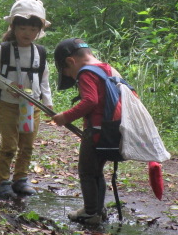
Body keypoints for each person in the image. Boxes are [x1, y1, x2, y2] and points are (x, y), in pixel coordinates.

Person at [0, 0, 53, 200]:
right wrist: (8, 85)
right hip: (8, 104)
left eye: (32, 29)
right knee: (9, 145)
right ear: (13, 27)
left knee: (27, 145)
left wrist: (47, 102)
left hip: (32, 106)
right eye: (23, 28)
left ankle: (20, 179)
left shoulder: (39, 52)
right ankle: (2, 182)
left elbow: (44, 79)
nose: (27, 34)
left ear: (39, 31)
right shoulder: (4, 50)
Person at [51, 37, 123, 225]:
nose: (71, 76)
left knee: (87, 172)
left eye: (67, 73)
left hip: (96, 131)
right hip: (111, 131)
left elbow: (90, 101)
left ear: (70, 61)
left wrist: (65, 116)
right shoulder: (106, 68)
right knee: (97, 172)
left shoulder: (85, 73)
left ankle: (91, 213)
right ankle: (98, 209)